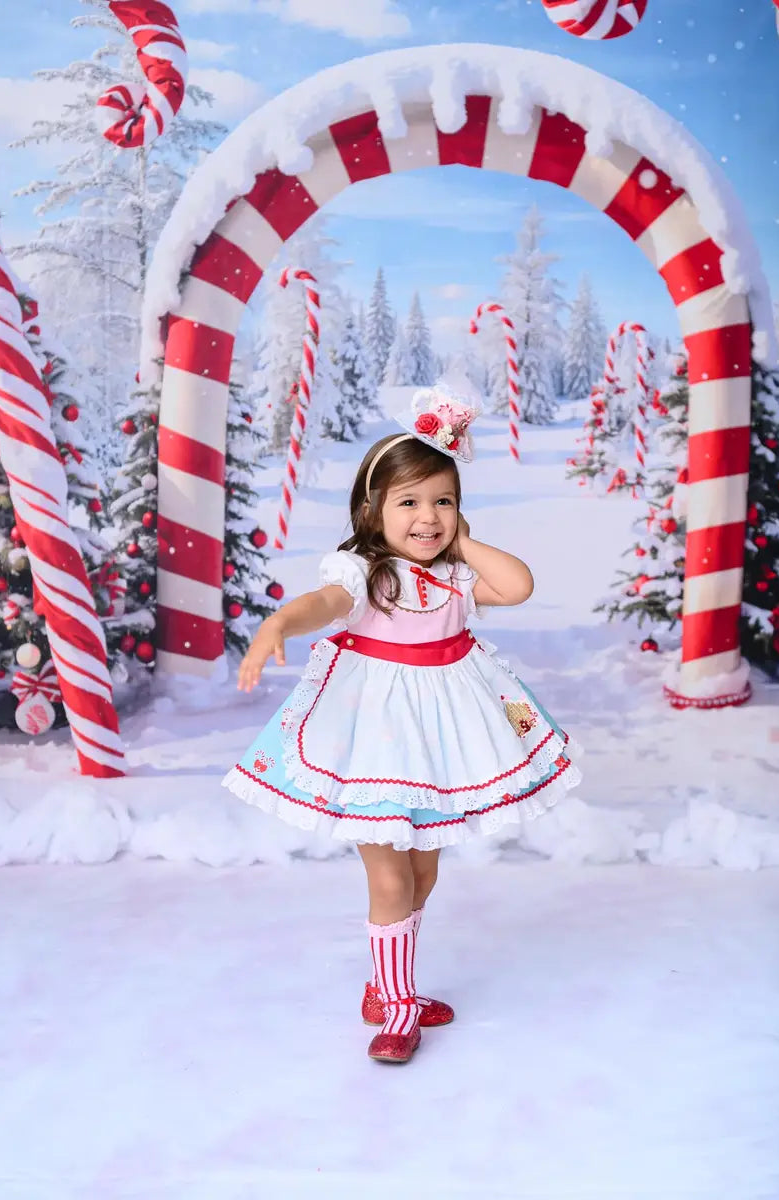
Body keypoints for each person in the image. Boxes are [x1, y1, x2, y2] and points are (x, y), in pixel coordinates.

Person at [223, 378, 581, 1064]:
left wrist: (466, 543)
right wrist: (279, 622)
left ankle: (389, 986)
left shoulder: (455, 573)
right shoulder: (364, 570)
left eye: (443, 501)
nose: (428, 516)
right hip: (375, 741)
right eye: (409, 501)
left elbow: (519, 585)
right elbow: (324, 603)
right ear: (372, 509)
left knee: (422, 875)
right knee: (389, 879)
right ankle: (396, 1011)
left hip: (440, 739)